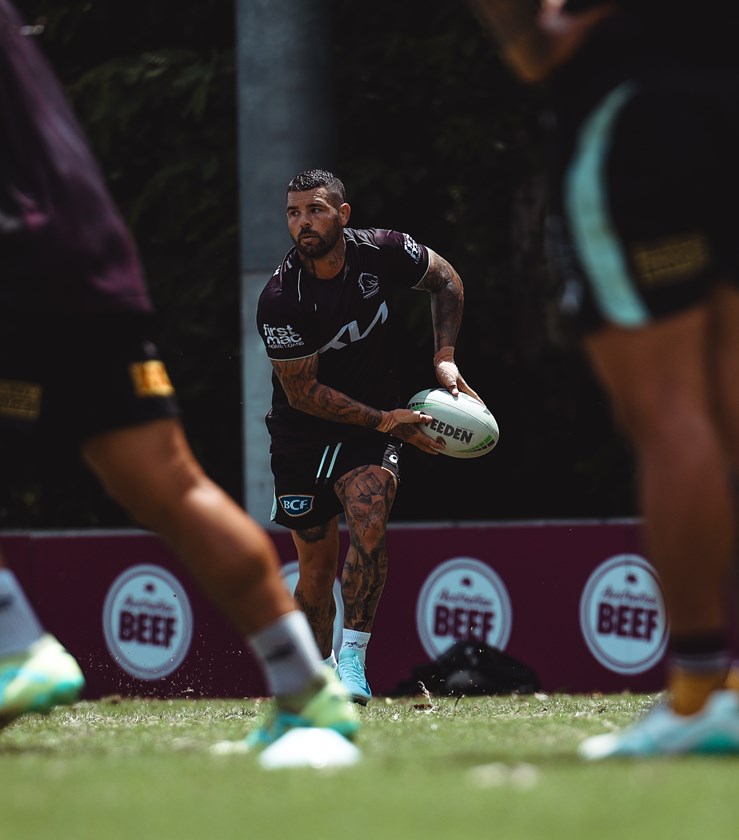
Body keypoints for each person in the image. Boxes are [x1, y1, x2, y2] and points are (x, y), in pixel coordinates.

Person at [0, 0, 358, 752]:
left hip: (18, 257)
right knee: (167, 483)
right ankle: (305, 689)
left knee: (166, 483)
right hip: (83, 252)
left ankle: (13, 642)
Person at [466, 0, 739, 757]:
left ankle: (697, 694)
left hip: (639, 103)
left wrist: (532, 38)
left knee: (670, 412)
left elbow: (525, 38)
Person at [256, 169, 481, 704]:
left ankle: (353, 659)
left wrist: (444, 358)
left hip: (374, 424)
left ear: (343, 213)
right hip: (303, 431)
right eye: (293, 212)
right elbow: (304, 393)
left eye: (314, 209)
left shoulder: (381, 252)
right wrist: (386, 420)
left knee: (370, 518)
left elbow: (446, 279)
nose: (303, 222)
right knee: (314, 570)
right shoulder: (281, 297)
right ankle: (321, 672)